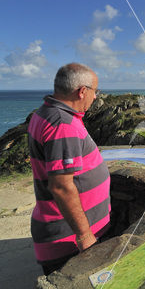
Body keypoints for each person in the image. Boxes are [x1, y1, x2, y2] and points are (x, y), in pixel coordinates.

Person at [28, 63, 111, 275]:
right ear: (82, 91)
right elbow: (61, 187)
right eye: (95, 91)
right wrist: (84, 235)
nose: (95, 98)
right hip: (69, 242)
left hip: (62, 234)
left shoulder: (45, 113)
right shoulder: (62, 124)